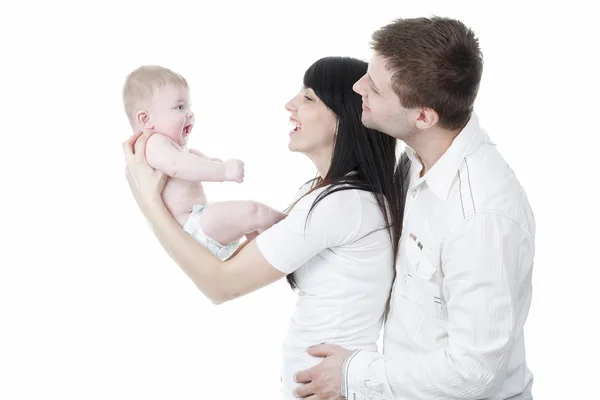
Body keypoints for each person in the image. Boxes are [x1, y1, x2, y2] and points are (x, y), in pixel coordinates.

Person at [122, 56, 405, 399]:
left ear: (341, 120)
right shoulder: (322, 194)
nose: (290, 105)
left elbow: (219, 284)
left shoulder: (342, 204)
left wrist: (150, 204)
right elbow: (227, 265)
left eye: (308, 98)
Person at [292, 16, 536, 400]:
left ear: (424, 116)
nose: (357, 88)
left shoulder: (481, 217)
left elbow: (472, 372)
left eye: (373, 87)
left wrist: (352, 374)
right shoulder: (415, 160)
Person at [122, 65, 286, 261]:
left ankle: (283, 247)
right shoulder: (151, 143)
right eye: (179, 107)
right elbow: (178, 166)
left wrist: (210, 161)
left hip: (199, 224)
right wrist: (222, 170)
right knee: (254, 211)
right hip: (192, 228)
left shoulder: (169, 146)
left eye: (189, 106)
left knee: (253, 223)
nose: (190, 113)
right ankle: (299, 229)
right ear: (145, 118)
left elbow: (188, 159)